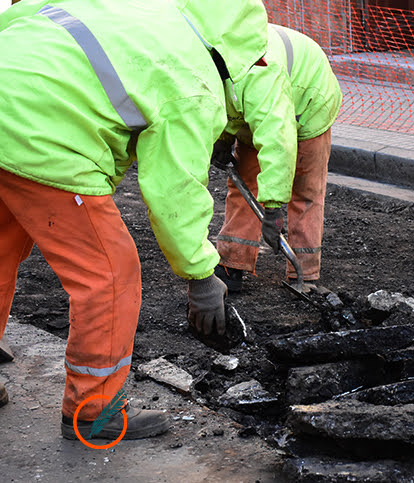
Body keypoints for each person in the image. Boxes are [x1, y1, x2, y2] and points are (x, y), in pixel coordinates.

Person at [0, 0, 287, 441]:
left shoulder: (139, 14)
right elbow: (174, 192)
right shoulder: (194, 78)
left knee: (0, 249)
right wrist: (201, 276)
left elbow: (21, 16)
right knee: (110, 275)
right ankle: (93, 414)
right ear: (236, 56)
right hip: (40, 136)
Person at [211, 24, 342, 293]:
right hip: (261, 108)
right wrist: (223, 139)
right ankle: (232, 262)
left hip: (309, 104)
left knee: (304, 192)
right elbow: (221, 105)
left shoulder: (261, 74)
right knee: (244, 183)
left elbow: (278, 144)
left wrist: (273, 210)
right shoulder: (213, 64)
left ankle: (303, 275)